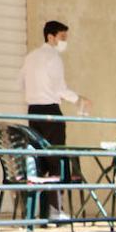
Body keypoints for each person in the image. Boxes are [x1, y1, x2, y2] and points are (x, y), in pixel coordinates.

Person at [20, 20, 88, 219]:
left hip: (33, 111)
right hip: (50, 110)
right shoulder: (53, 58)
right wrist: (78, 99)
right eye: (62, 37)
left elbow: (21, 83)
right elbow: (59, 89)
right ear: (51, 37)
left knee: (39, 159)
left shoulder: (30, 57)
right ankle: (55, 209)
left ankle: (40, 210)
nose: (64, 42)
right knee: (56, 158)